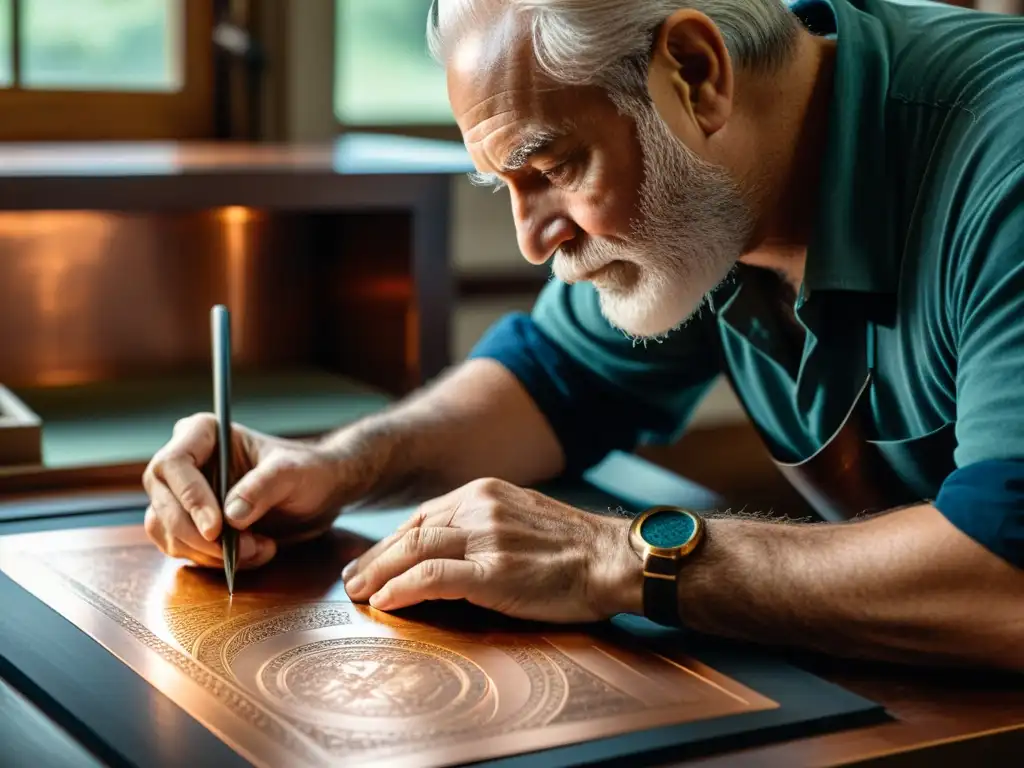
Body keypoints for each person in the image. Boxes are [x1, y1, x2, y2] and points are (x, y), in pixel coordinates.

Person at [143, 0, 1024, 671]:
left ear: (695, 71)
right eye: (504, 187)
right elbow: (550, 381)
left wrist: (616, 556)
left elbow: (1005, 580)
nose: (533, 239)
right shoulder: (720, 180)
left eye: (553, 167)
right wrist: (336, 468)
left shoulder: (1003, 157)